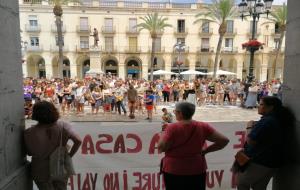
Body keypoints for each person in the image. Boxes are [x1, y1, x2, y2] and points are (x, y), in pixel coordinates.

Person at [158, 102, 229, 190]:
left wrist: (163, 132)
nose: (174, 113)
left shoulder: (172, 128)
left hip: (174, 169)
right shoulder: (203, 126)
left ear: (180, 113)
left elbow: (161, 148)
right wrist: (206, 151)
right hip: (197, 168)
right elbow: (224, 141)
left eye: (175, 111)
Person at [236, 96, 295, 190]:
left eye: (261, 104)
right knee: (259, 187)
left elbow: (250, 141)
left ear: (270, 107)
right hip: (272, 163)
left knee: (241, 183)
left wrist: (249, 127)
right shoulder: (278, 120)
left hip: (260, 162)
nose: (258, 106)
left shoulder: (267, 121)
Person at [24, 101, 82, 190]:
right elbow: (78, 140)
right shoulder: (63, 126)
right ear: (53, 111)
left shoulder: (29, 132)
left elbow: (29, 152)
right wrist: (69, 156)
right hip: (59, 166)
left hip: (40, 169)